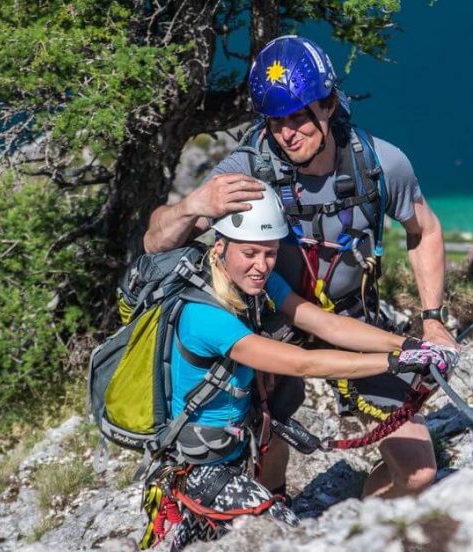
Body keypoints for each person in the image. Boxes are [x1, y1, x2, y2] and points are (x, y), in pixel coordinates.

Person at [144, 35, 456, 499]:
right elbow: (155, 241)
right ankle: (277, 519)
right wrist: (193, 205)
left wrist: (430, 324)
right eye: (275, 122)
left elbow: (424, 230)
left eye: (298, 117)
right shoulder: (246, 172)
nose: (288, 133)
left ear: (328, 105)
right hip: (268, 324)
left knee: (417, 474)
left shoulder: (379, 165)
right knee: (265, 459)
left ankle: (358, 524)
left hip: (350, 320)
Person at [165, 185, 455, 552]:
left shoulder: (258, 283)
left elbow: (322, 323)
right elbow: (303, 362)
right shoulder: (205, 316)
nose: (261, 265)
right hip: (203, 469)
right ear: (219, 247)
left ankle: (271, 498)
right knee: (290, 548)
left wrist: (408, 345)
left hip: (238, 447)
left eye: (270, 253)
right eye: (250, 253)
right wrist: (393, 362)